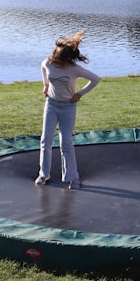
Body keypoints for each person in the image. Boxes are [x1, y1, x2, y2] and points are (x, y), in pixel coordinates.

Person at [35, 30, 100, 189]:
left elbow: (95, 79)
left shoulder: (74, 69)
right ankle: (43, 174)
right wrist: (45, 85)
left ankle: (73, 178)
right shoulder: (48, 63)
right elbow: (43, 69)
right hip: (51, 105)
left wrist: (80, 94)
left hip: (68, 108)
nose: (59, 62)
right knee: (46, 140)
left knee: (66, 143)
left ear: (67, 59)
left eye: (62, 60)